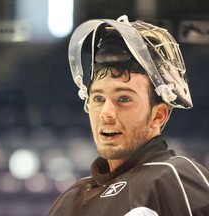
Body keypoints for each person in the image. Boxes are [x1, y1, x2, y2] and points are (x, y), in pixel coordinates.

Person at [48, 15, 209, 216]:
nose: (106, 113)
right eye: (98, 99)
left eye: (124, 99)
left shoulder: (175, 177)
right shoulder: (70, 200)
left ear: (158, 115)